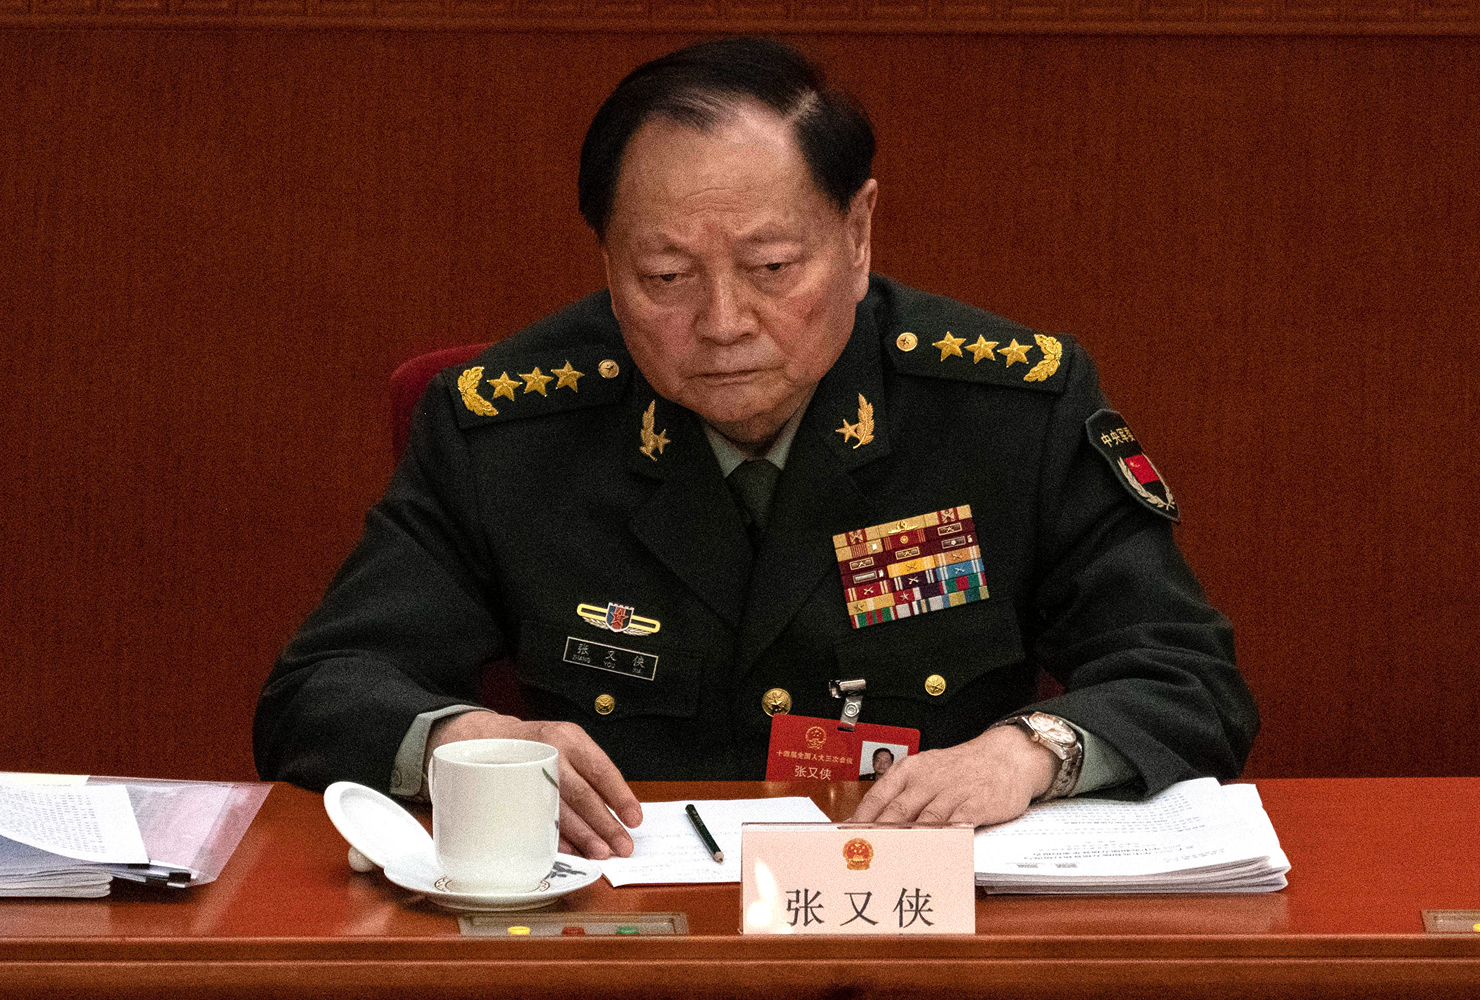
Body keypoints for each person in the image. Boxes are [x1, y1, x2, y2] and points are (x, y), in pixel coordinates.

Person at [254, 38, 1257, 861]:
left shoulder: (1007, 411)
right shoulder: (511, 432)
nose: (725, 320)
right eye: (666, 276)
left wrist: (1028, 751)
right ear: (608, 263)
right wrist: (468, 741)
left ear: (858, 233)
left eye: (773, 266)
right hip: (619, 930)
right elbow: (320, 690)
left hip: (916, 924)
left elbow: (1185, 675)